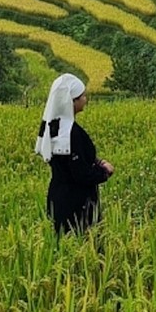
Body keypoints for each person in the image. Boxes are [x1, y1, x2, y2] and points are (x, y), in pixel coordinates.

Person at [35, 73, 114, 235]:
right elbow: (81, 174)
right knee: (82, 246)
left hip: (58, 197)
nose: (86, 99)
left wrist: (96, 162)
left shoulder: (52, 126)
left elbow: (68, 161)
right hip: (77, 204)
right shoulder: (72, 133)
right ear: (71, 101)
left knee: (62, 246)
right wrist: (105, 172)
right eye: (82, 96)